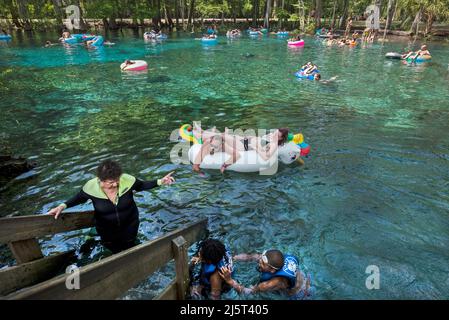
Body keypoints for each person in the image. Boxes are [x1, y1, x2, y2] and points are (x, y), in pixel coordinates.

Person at [46, 159, 175, 254]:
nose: (115, 184)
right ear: (100, 180)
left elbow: (141, 186)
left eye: (117, 181)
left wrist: (160, 181)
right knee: (114, 249)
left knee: (130, 245)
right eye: (110, 182)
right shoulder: (91, 187)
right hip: (106, 227)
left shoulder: (127, 180)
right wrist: (62, 206)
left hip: (130, 222)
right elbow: (78, 198)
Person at [218, 249, 314, 300]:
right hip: (304, 277)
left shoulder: (269, 284)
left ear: (272, 270)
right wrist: (233, 258)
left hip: (301, 294)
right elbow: (252, 256)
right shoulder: (273, 258)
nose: (260, 262)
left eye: (263, 264)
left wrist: (230, 280)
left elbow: (248, 292)